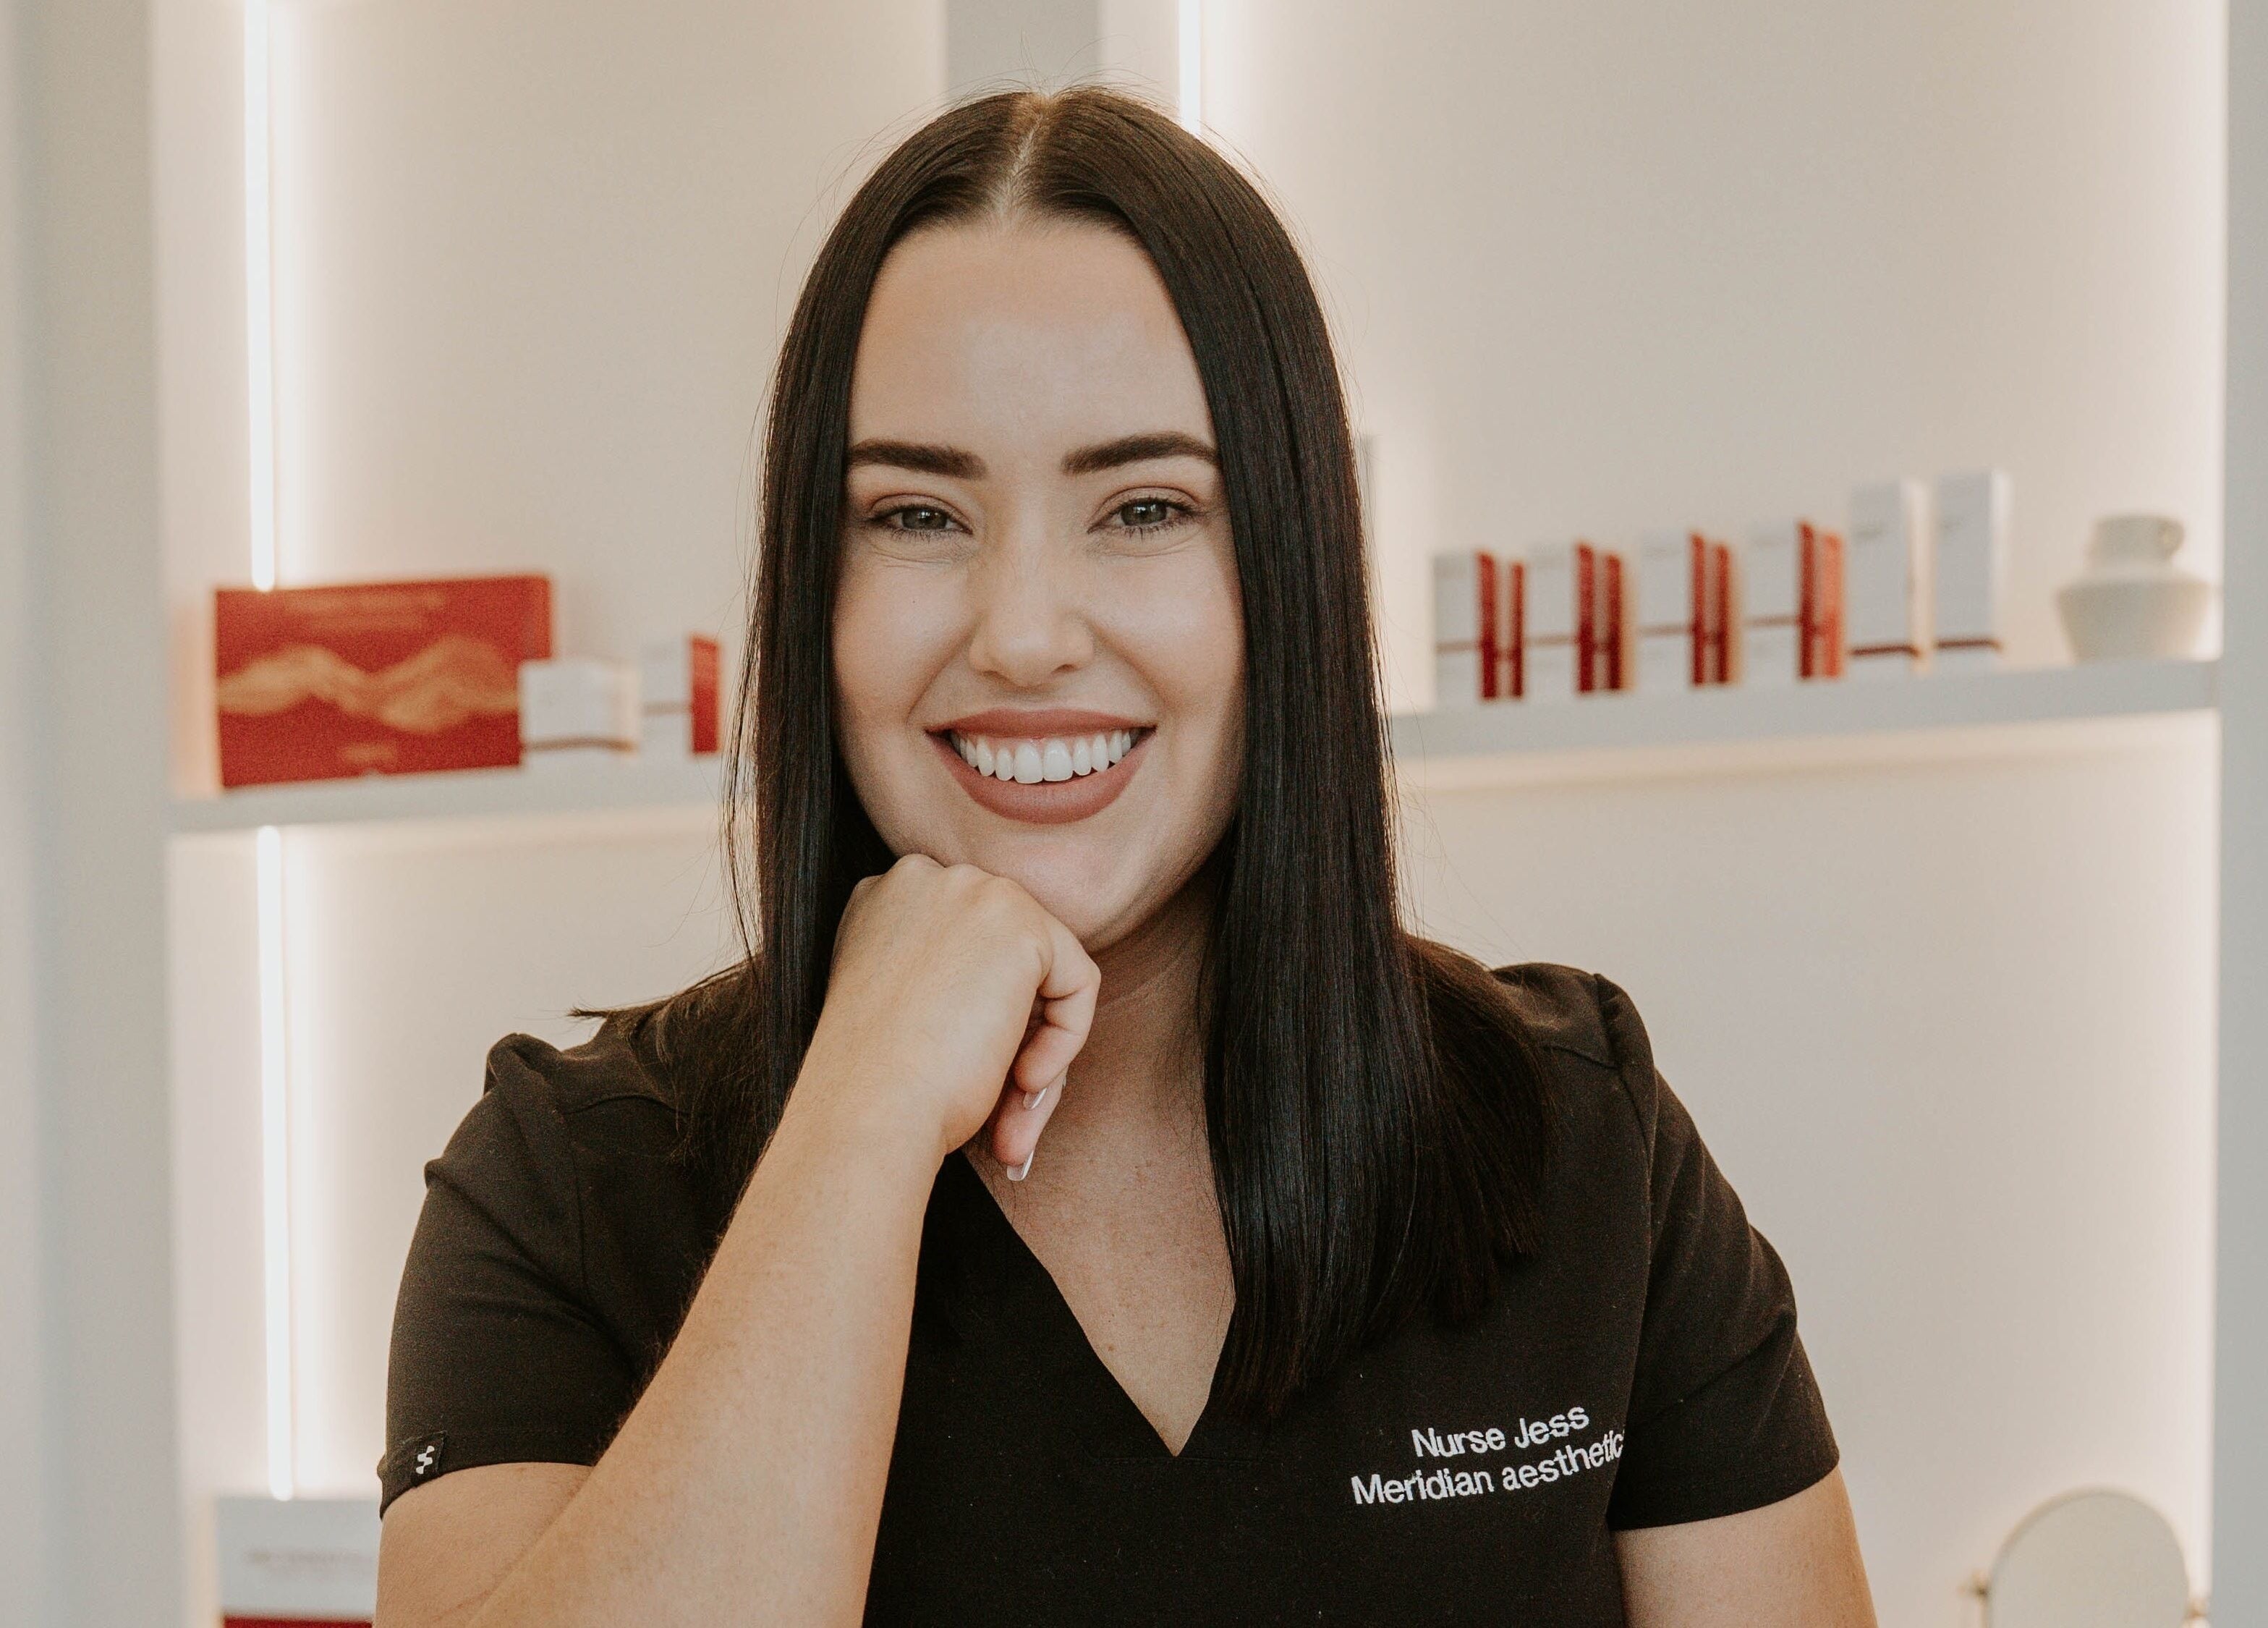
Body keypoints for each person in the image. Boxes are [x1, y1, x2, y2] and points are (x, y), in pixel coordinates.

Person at [372, 86, 1877, 1627]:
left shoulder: (1578, 1140)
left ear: (1285, 568)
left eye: (1144, 506)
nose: (1022, 633)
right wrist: (858, 1121)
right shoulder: (570, 1183)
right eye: (912, 513)